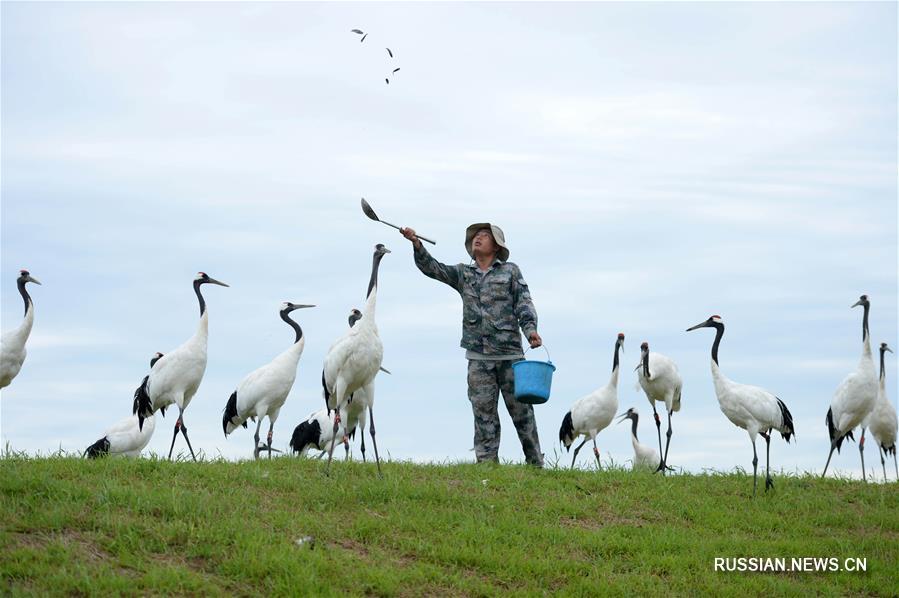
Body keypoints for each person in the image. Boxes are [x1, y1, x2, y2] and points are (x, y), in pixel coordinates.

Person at [400, 223, 545, 467]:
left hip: (510, 357)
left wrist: (531, 331)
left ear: (496, 246)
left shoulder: (510, 272)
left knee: (523, 415)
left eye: (485, 236)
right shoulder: (463, 274)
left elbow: (524, 303)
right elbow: (433, 269)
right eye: (476, 236)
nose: (478, 238)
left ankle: (536, 464)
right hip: (478, 359)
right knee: (483, 416)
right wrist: (416, 244)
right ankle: (487, 466)